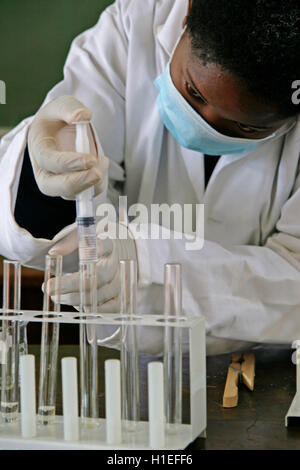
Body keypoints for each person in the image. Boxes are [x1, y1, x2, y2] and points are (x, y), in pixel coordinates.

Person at [0, 0, 300, 355]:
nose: (205, 121)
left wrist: (148, 266)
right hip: (130, 373)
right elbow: (49, 239)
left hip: (270, 373)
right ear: (187, 15)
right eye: (194, 92)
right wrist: (42, 181)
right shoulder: (137, 25)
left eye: (245, 126)